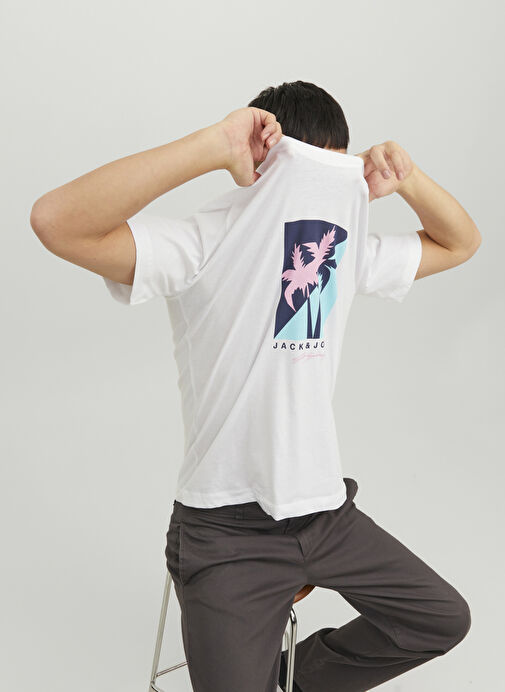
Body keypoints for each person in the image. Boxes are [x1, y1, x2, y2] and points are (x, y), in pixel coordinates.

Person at [30, 81, 480, 692]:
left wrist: (408, 180)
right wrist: (212, 145)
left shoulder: (337, 247)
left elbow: (461, 242)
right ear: (264, 158)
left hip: (324, 516)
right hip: (226, 532)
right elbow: (56, 222)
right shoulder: (204, 241)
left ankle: (293, 680)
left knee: (440, 618)